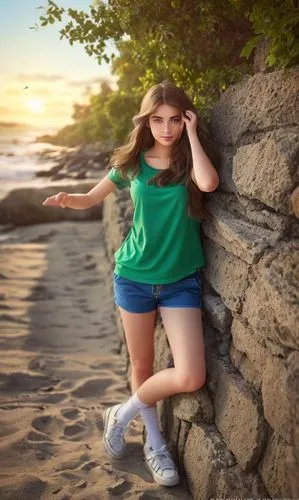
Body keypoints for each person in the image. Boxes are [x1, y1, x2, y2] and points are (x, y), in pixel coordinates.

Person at [42, 81, 219, 487]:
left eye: (175, 120)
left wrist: (193, 135)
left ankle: (119, 415)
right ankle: (154, 443)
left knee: (191, 375)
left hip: (179, 282)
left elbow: (209, 185)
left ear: (185, 119)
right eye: (158, 120)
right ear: (146, 120)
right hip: (134, 277)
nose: (167, 128)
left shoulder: (190, 160)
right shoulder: (133, 163)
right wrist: (71, 198)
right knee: (141, 367)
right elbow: (91, 198)